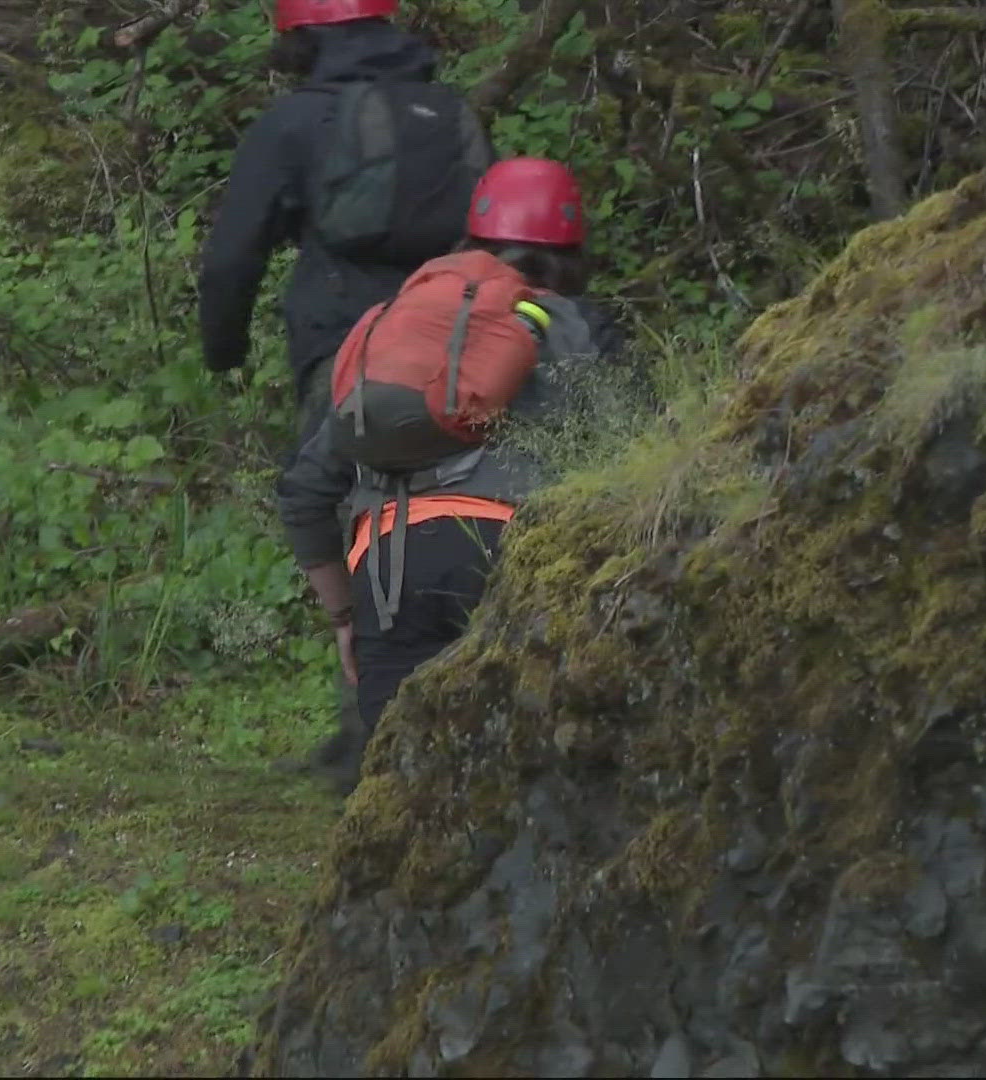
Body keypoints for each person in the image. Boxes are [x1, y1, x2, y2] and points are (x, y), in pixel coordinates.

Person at [275, 158, 631, 795]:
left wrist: (343, 621)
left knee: (395, 795)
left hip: (390, 569)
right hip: (518, 559)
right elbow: (631, 460)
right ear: (574, 250)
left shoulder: (402, 332)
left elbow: (306, 492)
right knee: (529, 782)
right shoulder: (582, 330)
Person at [197, 0, 493, 445]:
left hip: (345, 350)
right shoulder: (450, 113)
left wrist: (224, 351)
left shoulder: (293, 123)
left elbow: (233, 256)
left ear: (299, 36)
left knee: (316, 501)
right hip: (466, 354)